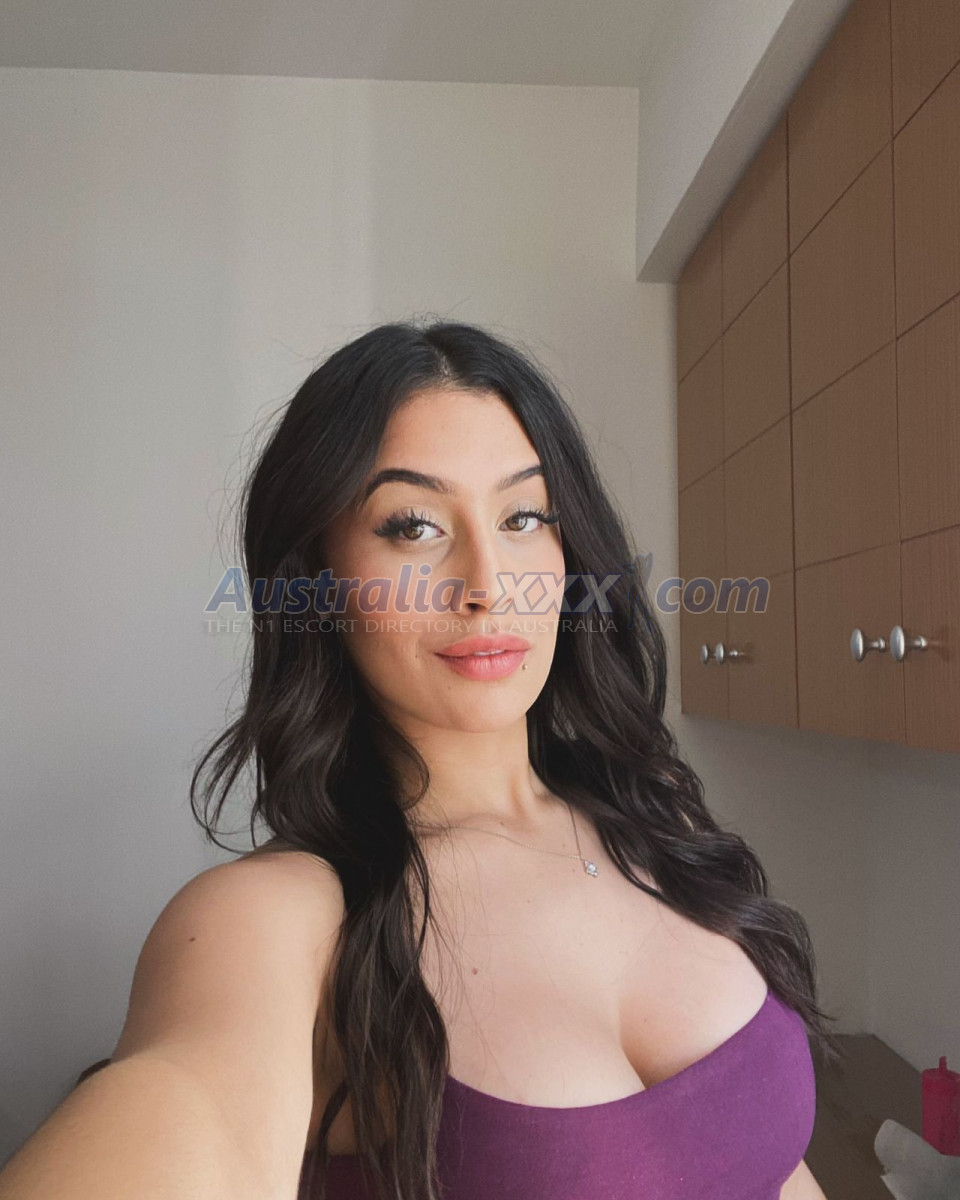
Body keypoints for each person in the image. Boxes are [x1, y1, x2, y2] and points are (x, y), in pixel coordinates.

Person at [0, 320, 839, 1200]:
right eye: (412, 527)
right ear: (317, 579)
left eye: (523, 516)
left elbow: (770, 1166)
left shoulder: (655, 815)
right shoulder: (282, 926)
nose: (489, 584)